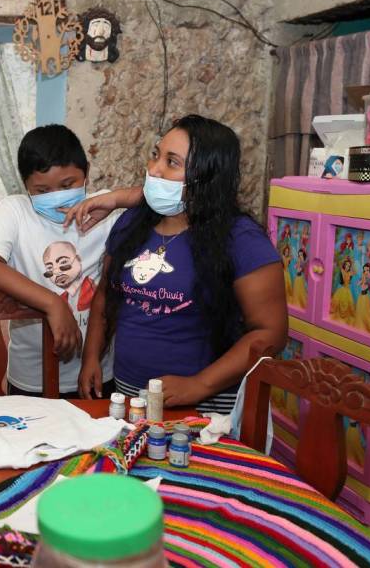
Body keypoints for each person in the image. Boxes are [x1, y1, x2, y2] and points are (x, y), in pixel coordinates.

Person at [75, 114, 287, 412]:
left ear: (206, 176)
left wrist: (199, 384)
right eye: (155, 155)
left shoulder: (241, 239)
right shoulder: (131, 225)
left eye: (171, 162)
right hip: (130, 395)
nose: (154, 169)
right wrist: (91, 357)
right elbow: (105, 297)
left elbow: (271, 333)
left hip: (207, 405)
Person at [0, 124, 141, 398]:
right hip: (31, 377)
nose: (55, 196)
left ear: (86, 172)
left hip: (97, 369)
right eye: (41, 190)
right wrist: (52, 304)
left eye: (67, 185)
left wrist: (118, 198)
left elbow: (168, 198)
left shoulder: (105, 210)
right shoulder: (15, 210)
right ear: (25, 185)